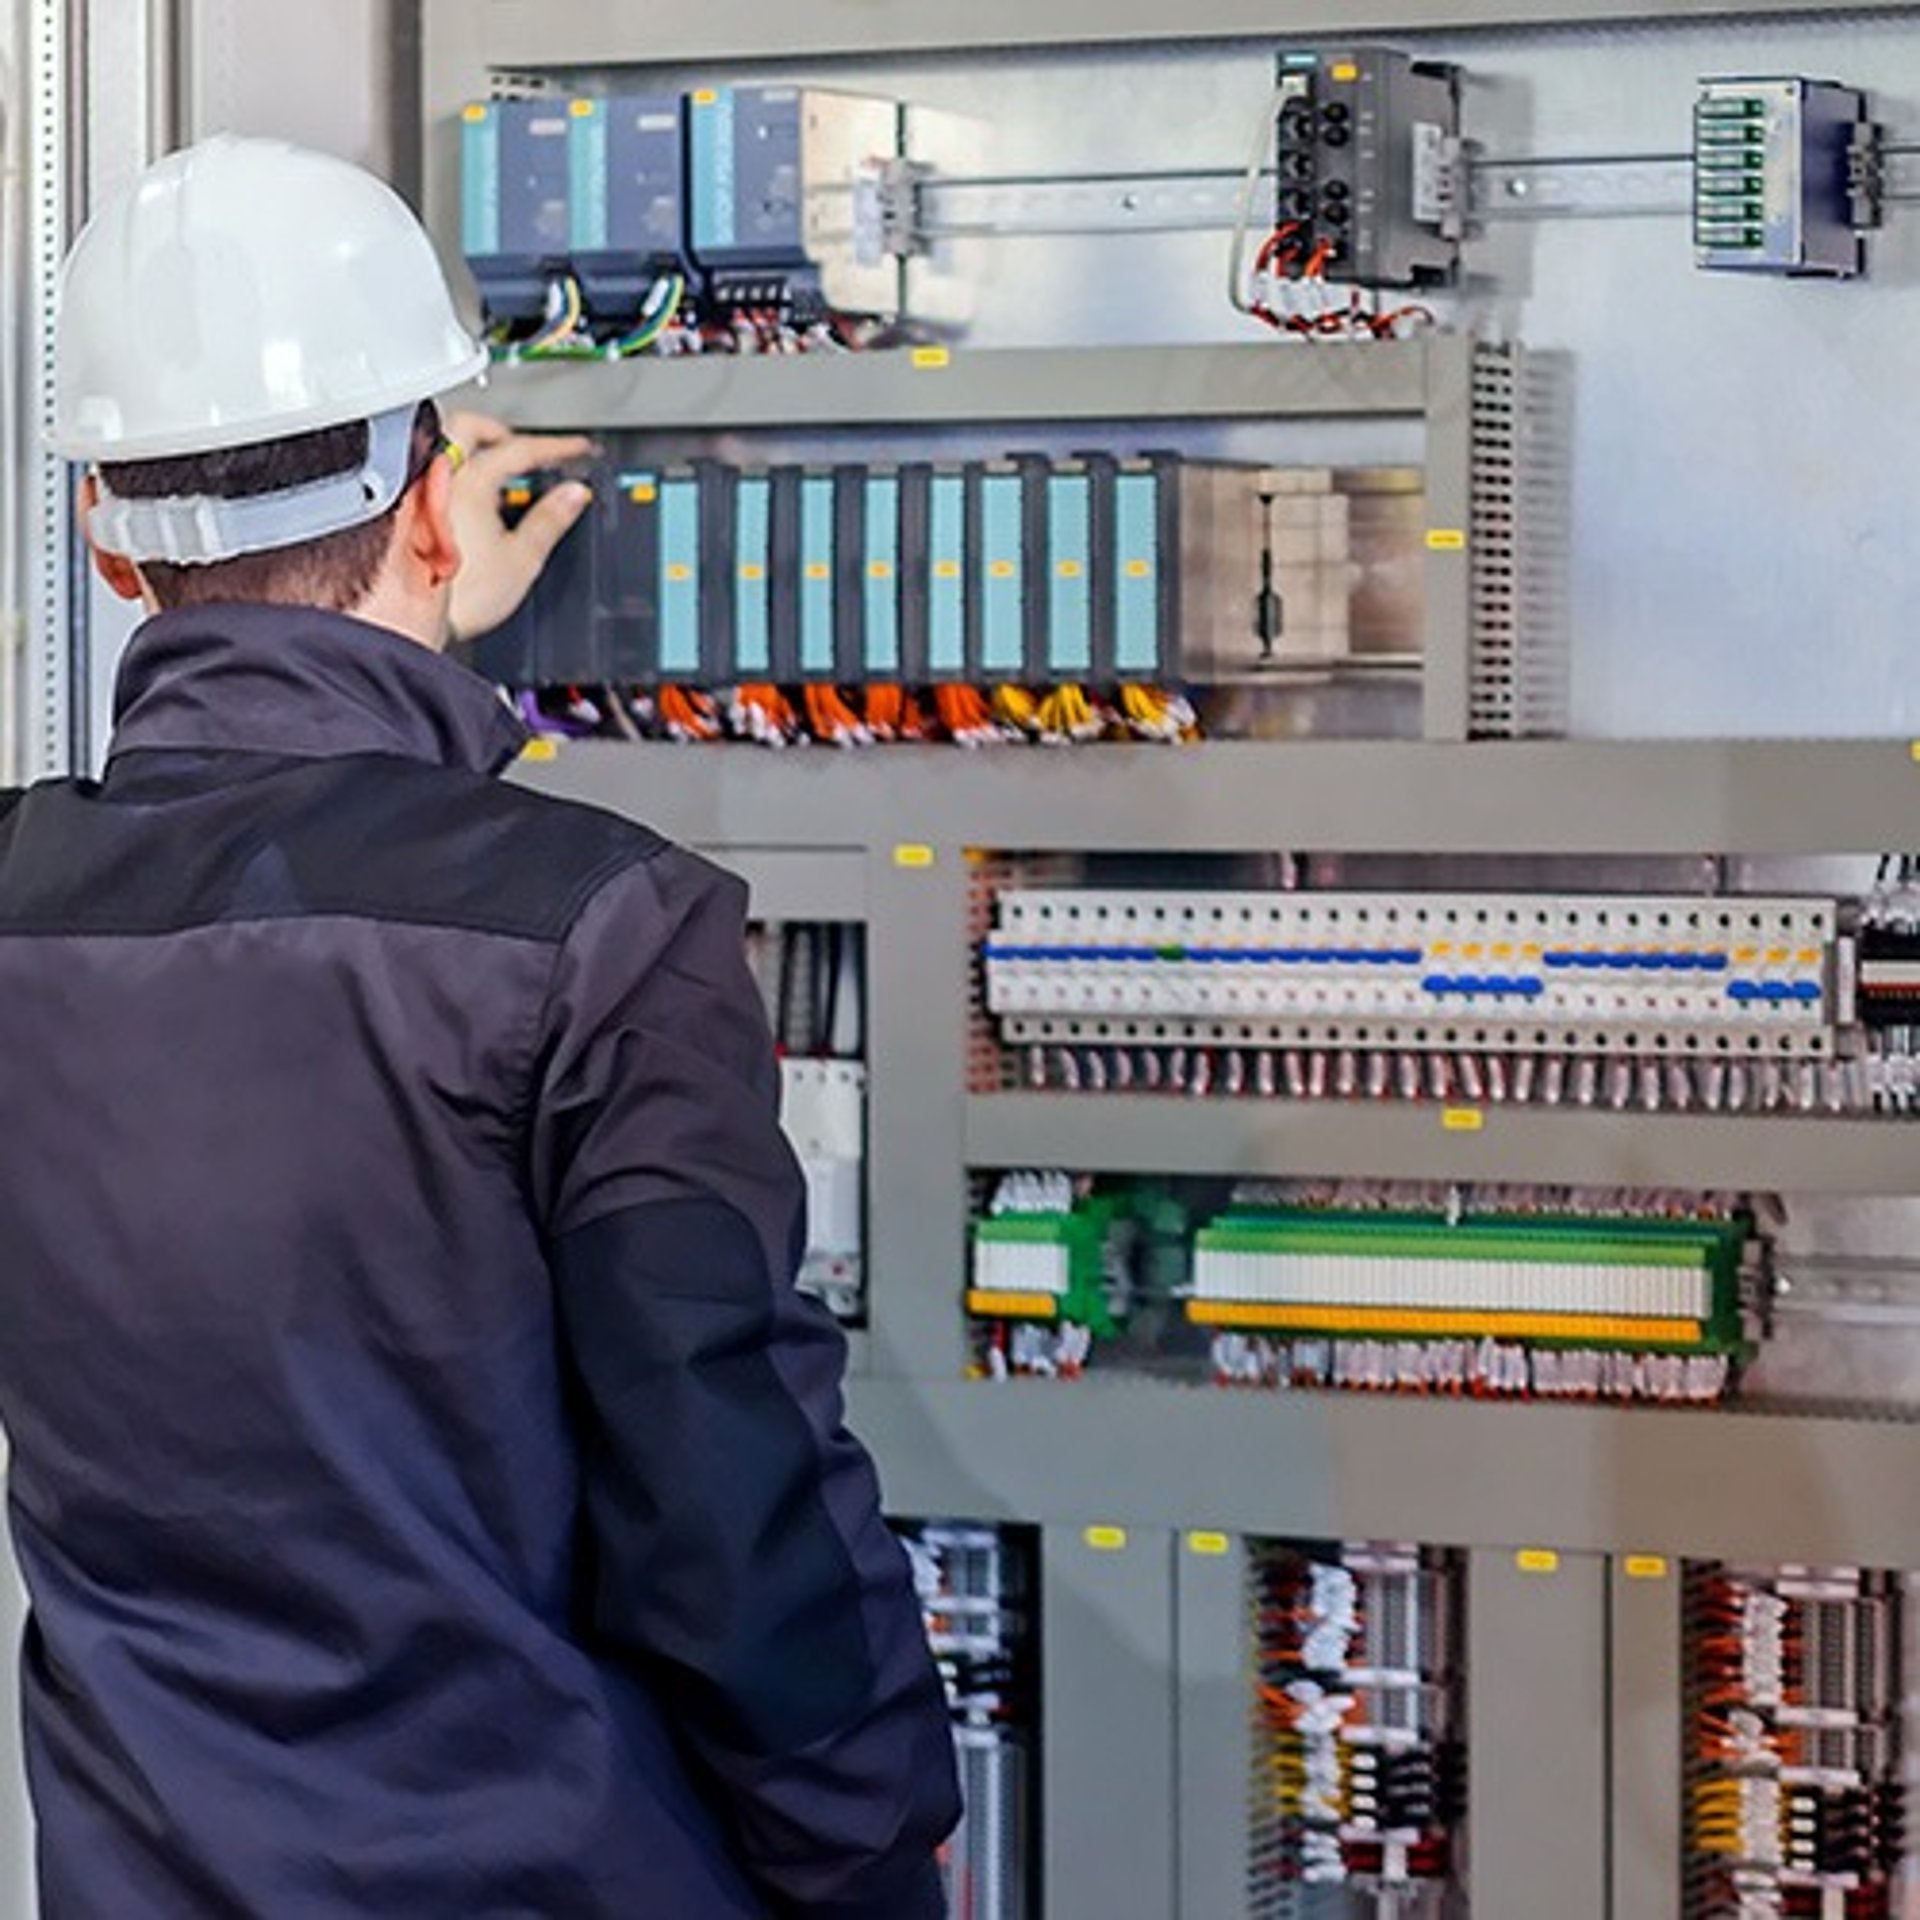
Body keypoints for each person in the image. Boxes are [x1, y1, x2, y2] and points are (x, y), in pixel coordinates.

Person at [0, 134, 960, 1916]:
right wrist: (878, 1840)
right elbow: (728, 1499)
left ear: (104, 539)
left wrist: (420, 660)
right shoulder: (606, 929)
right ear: (436, 502)